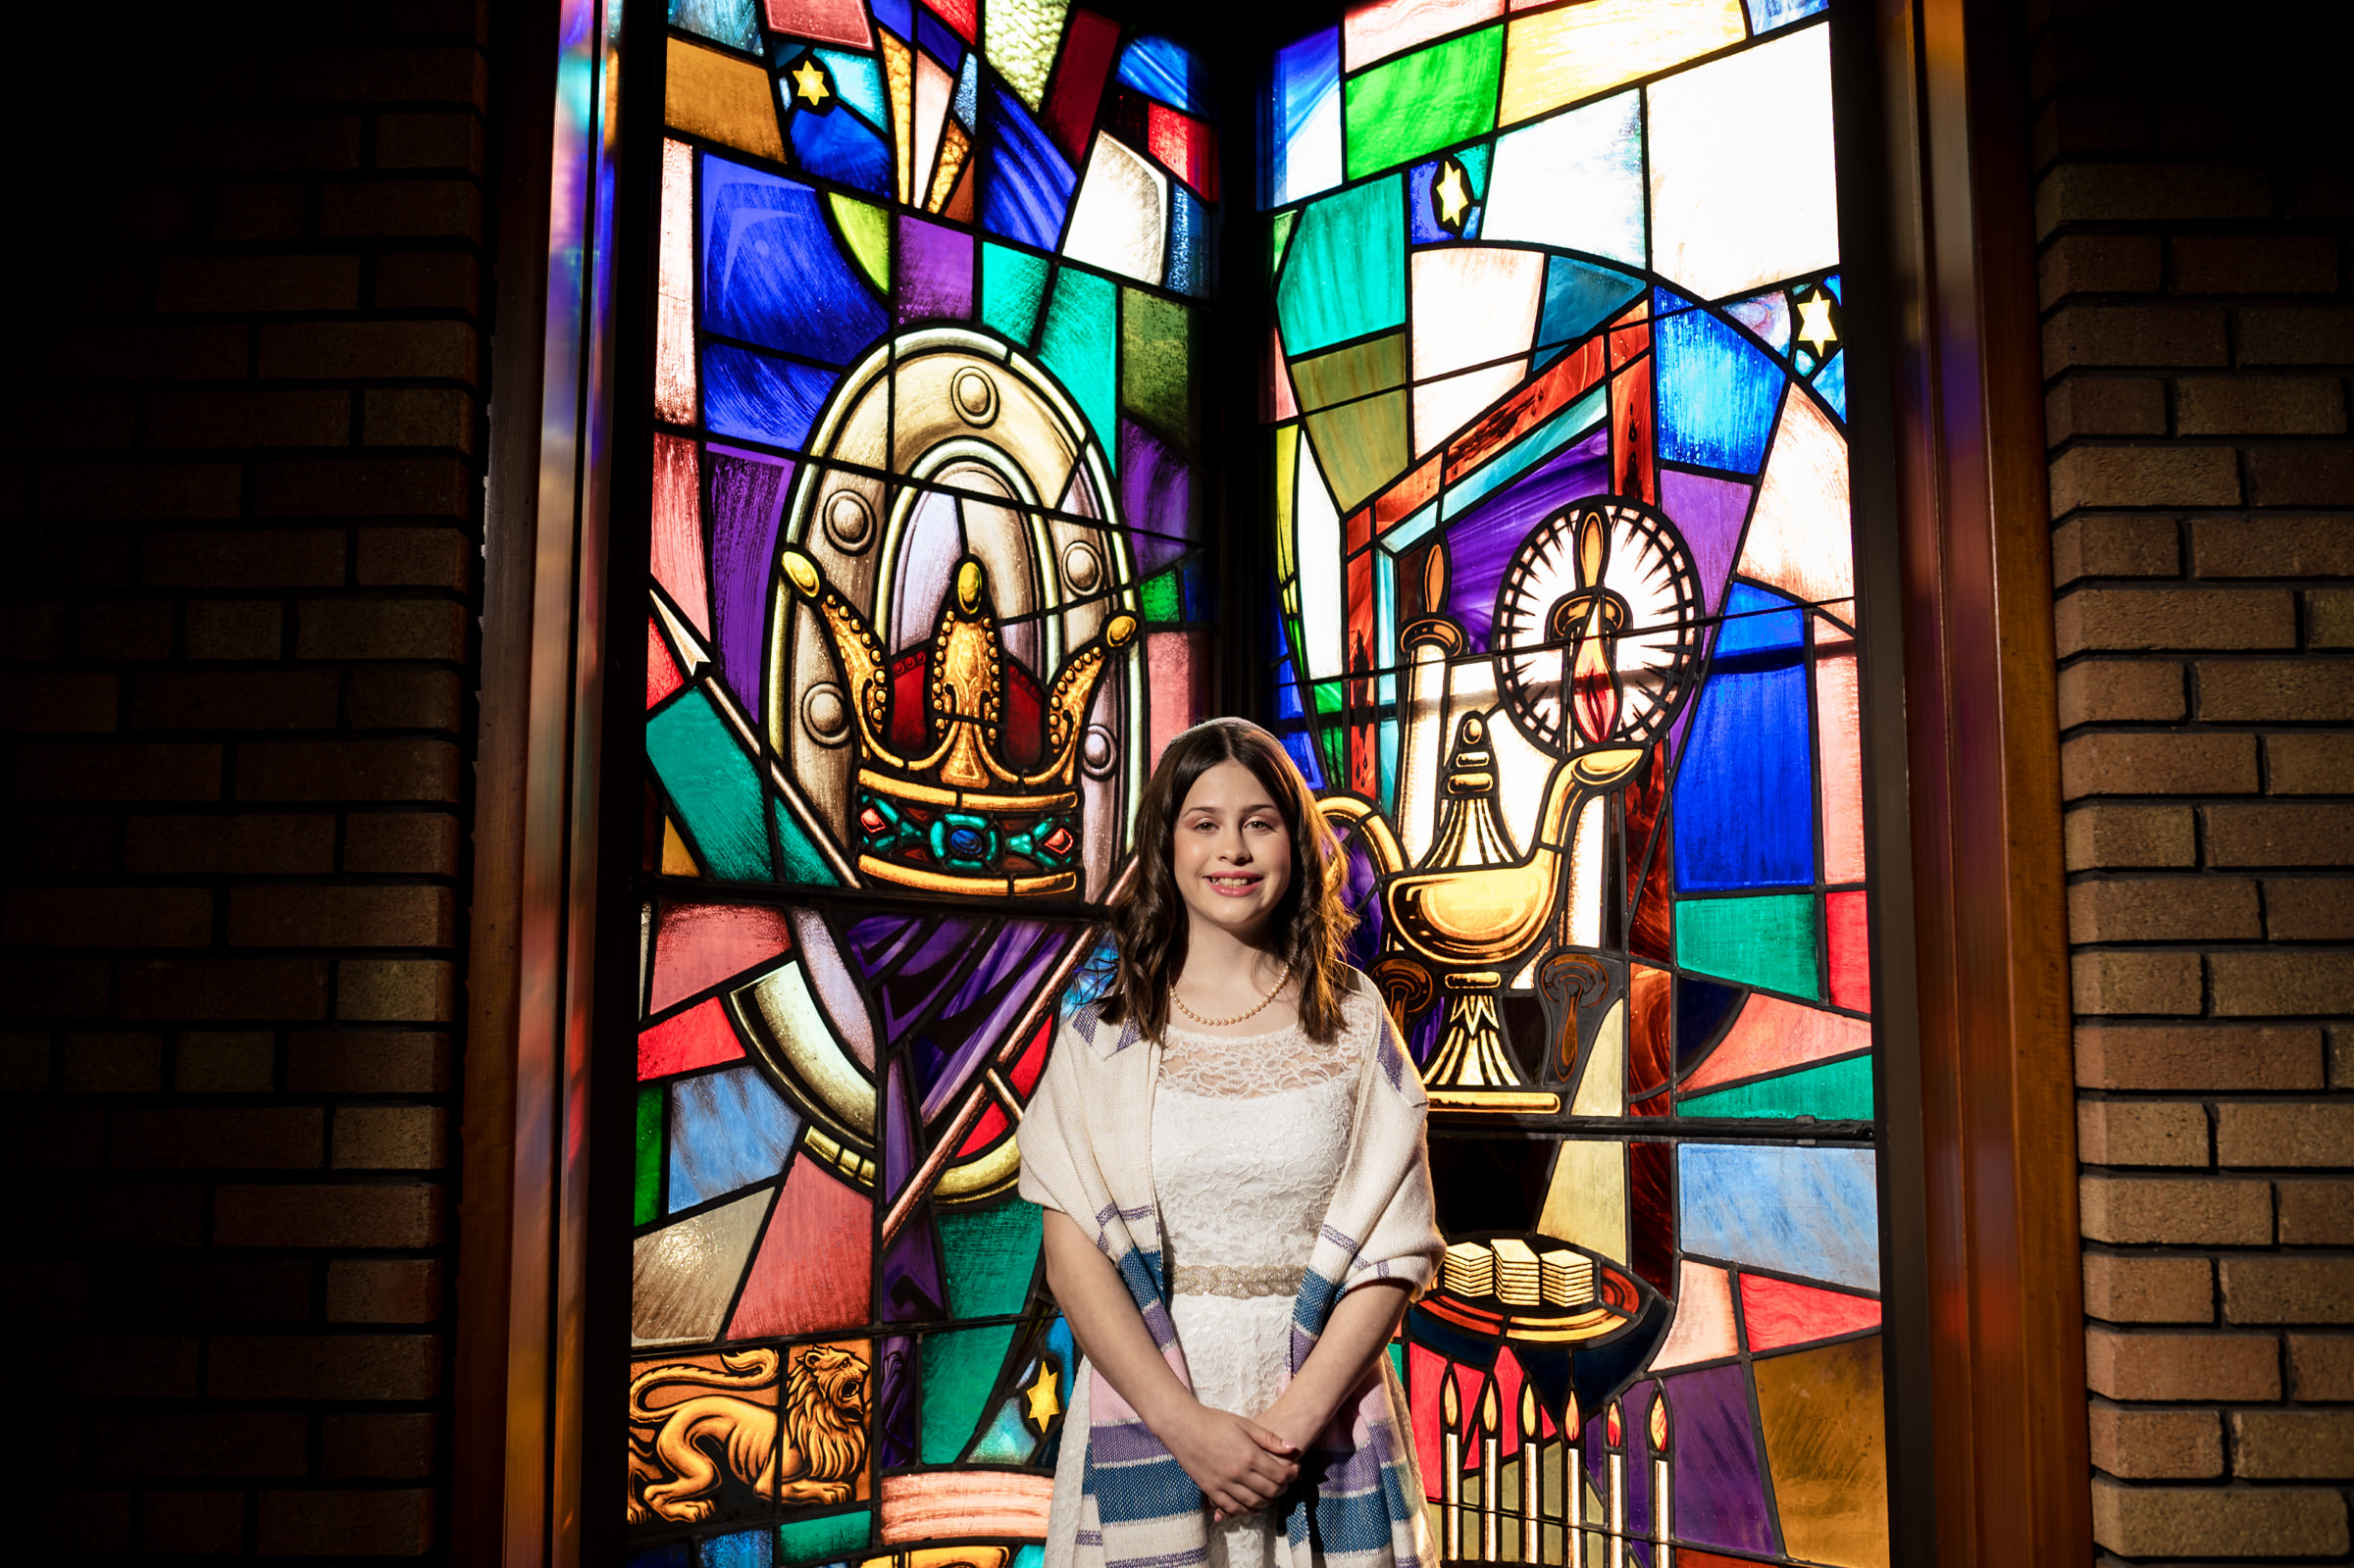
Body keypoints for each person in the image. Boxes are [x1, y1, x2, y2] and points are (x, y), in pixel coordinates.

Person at [1018, 718, 1445, 1568]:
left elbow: (1395, 1252)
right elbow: (1072, 1258)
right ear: (1167, 846)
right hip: (1153, 1406)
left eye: (1260, 820)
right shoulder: (1102, 1039)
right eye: (1204, 822)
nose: (1234, 849)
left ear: (1294, 839)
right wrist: (1189, 1431)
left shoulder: (1356, 1021)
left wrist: (1287, 1430)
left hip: (1325, 1413)